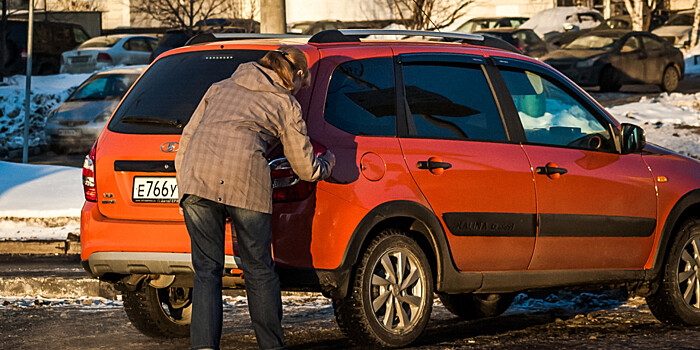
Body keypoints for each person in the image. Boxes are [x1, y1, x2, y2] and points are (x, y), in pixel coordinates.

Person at [175, 46, 336, 350]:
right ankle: (271, 346)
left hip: (197, 178)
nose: (300, 91)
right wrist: (327, 164)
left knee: (207, 271)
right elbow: (305, 167)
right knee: (259, 270)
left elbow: (188, 137)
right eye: (303, 84)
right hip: (244, 180)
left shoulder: (220, 87)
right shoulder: (285, 103)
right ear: (297, 74)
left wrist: (185, 184)